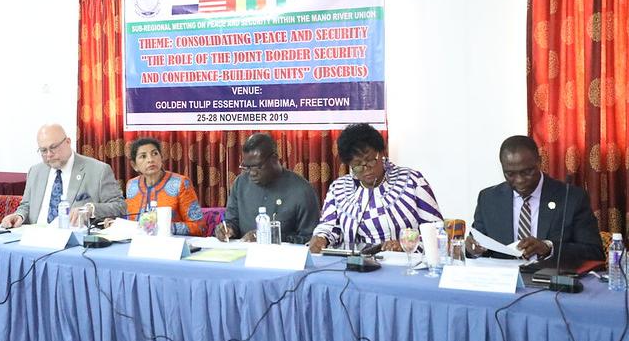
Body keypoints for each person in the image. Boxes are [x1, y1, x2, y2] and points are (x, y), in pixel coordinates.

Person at [309, 123, 443, 253]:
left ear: (382, 153)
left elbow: (436, 230)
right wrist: (321, 238)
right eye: (358, 165)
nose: (366, 169)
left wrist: (405, 245)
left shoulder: (412, 180)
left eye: (371, 160)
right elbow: (329, 226)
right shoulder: (339, 188)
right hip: (356, 263)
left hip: (405, 262)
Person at [466, 135, 604, 261]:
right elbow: (477, 245)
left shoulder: (571, 198)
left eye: (527, 172)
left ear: (539, 162)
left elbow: (595, 252)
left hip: (550, 278)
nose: (519, 180)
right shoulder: (488, 199)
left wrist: (548, 248)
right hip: (504, 278)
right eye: (510, 174)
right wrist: (473, 249)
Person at [1, 124, 126, 228]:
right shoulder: (35, 171)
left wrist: (91, 209)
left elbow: (120, 207)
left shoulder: (98, 170)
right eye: (43, 150)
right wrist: (19, 216)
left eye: (53, 147)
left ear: (68, 142)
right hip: (35, 239)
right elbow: (26, 206)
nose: (49, 154)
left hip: (74, 243)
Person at [214, 133, 319, 244]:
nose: (252, 173)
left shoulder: (302, 190)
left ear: (274, 158)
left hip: (283, 254)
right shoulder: (240, 183)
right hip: (244, 251)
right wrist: (227, 229)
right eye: (247, 167)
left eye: (257, 166)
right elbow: (232, 221)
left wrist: (271, 237)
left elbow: (311, 239)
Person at [124, 137, 206, 236]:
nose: (150, 160)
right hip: (138, 243)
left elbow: (199, 226)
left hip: (173, 242)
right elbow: (132, 223)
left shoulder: (180, 183)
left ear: (161, 157)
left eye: (155, 153)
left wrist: (165, 227)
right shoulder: (131, 185)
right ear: (134, 165)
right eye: (143, 156)